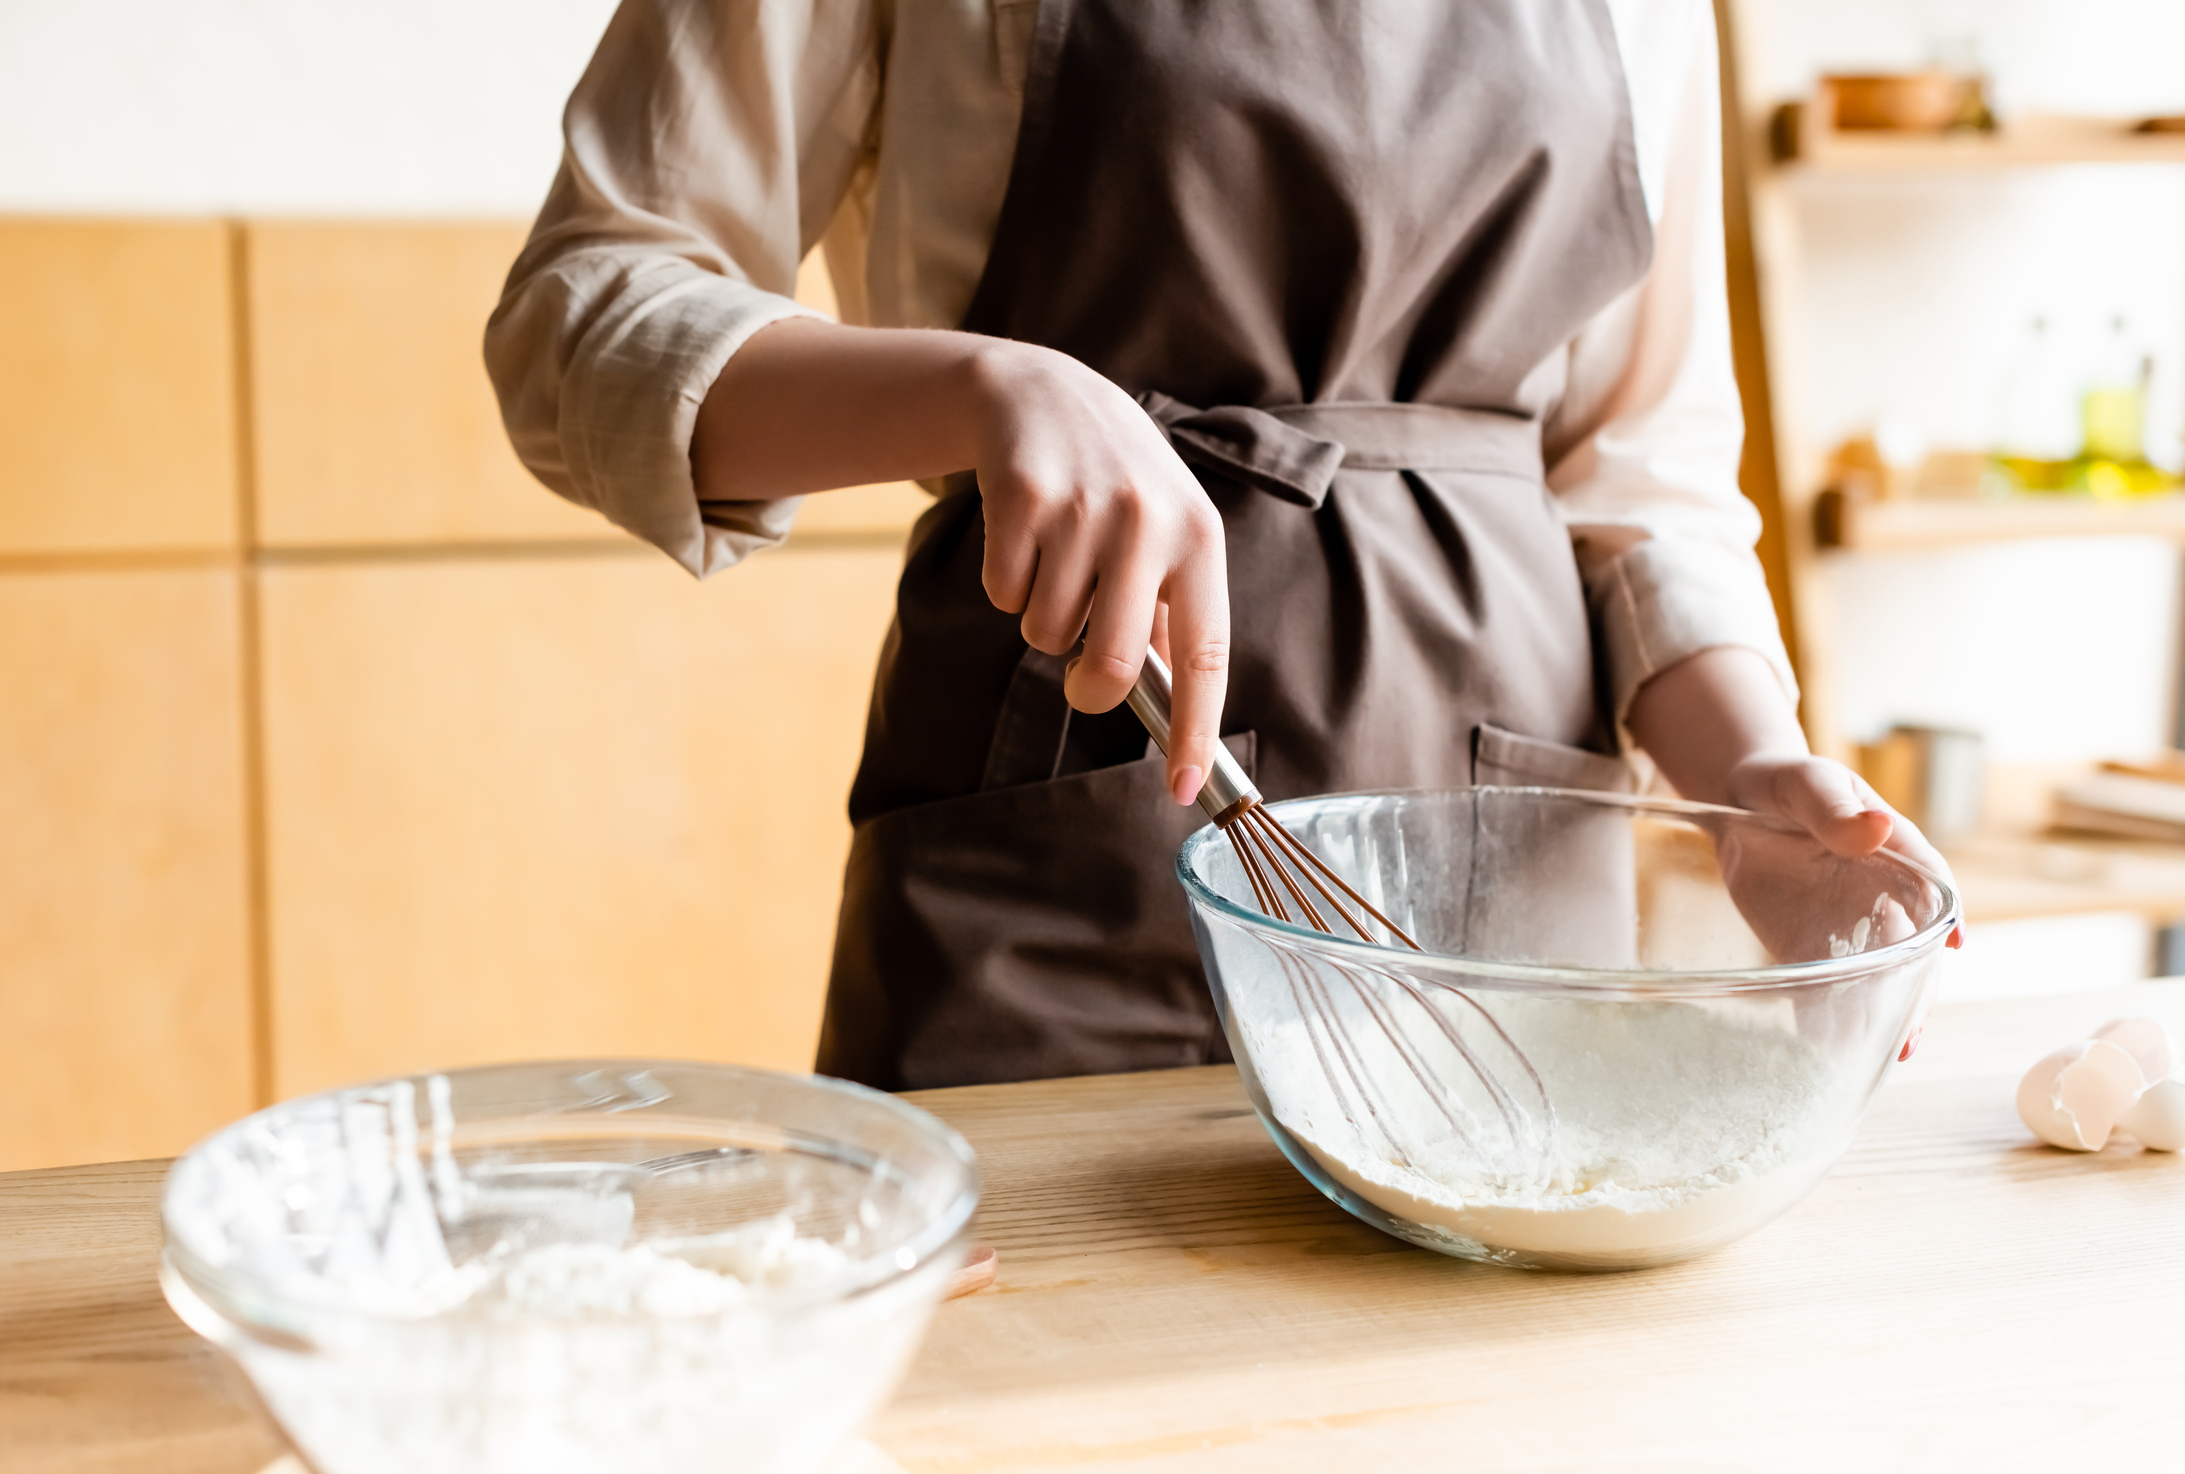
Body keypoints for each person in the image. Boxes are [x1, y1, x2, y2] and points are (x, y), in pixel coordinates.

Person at [487, 0, 1958, 1092]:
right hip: (1064, 844)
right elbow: (581, 319)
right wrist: (982, 384)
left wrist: (1751, 771)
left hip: (1514, 895)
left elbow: (1640, 474)